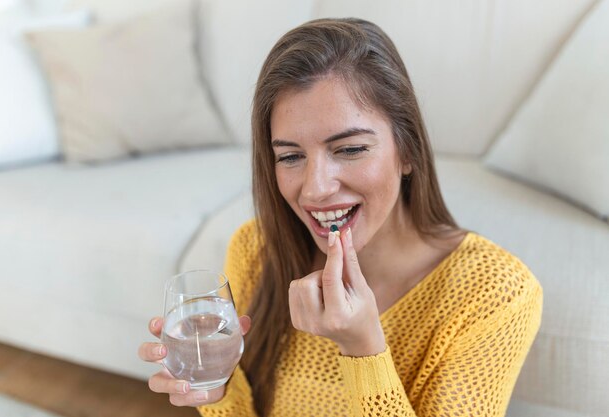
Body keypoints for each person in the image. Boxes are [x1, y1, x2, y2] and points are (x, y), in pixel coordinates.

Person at [138, 17, 543, 417]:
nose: (314, 189)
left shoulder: (495, 294)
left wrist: (363, 349)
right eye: (291, 156)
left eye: (349, 149)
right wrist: (220, 391)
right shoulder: (256, 248)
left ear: (407, 151)